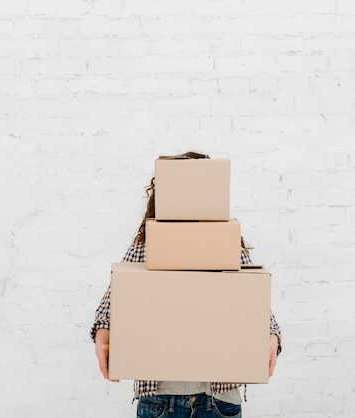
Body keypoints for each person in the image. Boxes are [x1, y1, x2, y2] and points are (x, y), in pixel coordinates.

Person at [90, 152, 282, 418]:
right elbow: (111, 306)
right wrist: (102, 338)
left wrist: (272, 335)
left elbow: (255, 300)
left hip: (219, 398)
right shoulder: (146, 247)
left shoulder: (227, 244)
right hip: (161, 398)